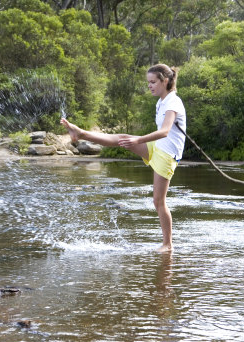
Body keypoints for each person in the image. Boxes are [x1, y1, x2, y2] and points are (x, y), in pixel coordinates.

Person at [61, 64, 186, 253]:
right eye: (148, 83)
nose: (150, 86)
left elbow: (165, 131)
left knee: (158, 201)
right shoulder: (161, 101)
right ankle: (81, 133)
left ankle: (168, 245)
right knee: (122, 139)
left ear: (165, 81)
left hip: (167, 154)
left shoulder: (173, 102)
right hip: (157, 147)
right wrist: (138, 140)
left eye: (153, 82)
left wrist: (139, 139)